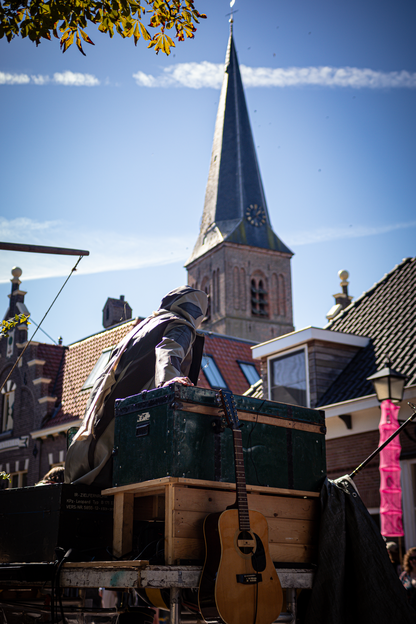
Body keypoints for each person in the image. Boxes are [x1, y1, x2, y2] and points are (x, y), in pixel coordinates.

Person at [64, 286, 208, 488]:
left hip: (94, 432)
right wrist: (170, 380)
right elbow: (169, 350)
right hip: (126, 431)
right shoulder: (180, 324)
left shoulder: (140, 329)